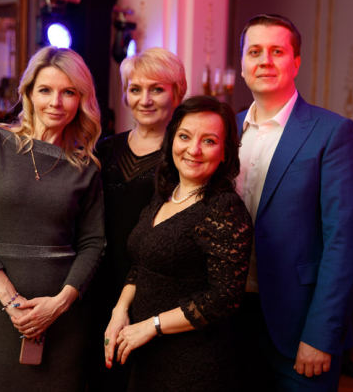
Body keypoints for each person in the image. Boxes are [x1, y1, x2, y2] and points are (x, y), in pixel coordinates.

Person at [0, 46, 105, 392]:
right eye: (45, 90)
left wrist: (60, 304)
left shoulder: (86, 167)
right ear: (29, 93)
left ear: (81, 100)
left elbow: (93, 242)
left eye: (69, 92)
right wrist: (11, 301)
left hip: (64, 323)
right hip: (0, 316)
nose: (56, 102)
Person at [234, 14, 353, 391]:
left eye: (277, 51)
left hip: (299, 325)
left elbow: (345, 243)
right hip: (230, 322)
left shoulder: (333, 133)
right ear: (242, 65)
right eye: (254, 52)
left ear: (296, 62)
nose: (265, 61)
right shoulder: (224, 130)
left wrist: (322, 334)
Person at [104, 95, 253, 392]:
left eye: (208, 141)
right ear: (172, 140)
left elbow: (224, 299)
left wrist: (152, 325)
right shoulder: (165, 194)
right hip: (145, 351)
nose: (193, 150)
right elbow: (142, 262)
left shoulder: (224, 208)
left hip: (193, 361)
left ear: (225, 152)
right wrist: (119, 309)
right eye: (185, 136)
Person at [88, 47, 187, 392]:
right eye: (135, 89)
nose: (145, 100)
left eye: (157, 89)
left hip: (157, 290)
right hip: (99, 285)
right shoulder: (103, 149)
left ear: (177, 93)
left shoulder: (184, 156)